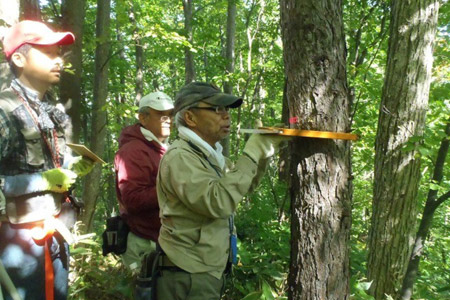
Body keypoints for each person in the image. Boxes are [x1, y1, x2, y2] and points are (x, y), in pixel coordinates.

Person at [156, 82, 289, 299]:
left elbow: (242, 185)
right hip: (188, 273)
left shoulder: (209, 155)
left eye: (226, 109)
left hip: (203, 269)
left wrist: (264, 153)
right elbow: (218, 202)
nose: (226, 115)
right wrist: (252, 152)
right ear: (190, 118)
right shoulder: (180, 156)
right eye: (217, 109)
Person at [0, 20, 94, 300]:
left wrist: (71, 168)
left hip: (55, 232)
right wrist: (42, 181)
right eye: (48, 52)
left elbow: (50, 166)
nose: (58, 60)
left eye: (59, 53)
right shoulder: (4, 110)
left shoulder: (52, 109)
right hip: (16, 243)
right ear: (18, 57)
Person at [114, 91, 174, 273]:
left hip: (162, 241)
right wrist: (174, 189)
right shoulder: (133, 151)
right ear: (142, 117)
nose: (168, 119)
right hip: (144, 243)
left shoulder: (164, 148)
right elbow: (133, 200)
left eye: (170, 114)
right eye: (160, 114)